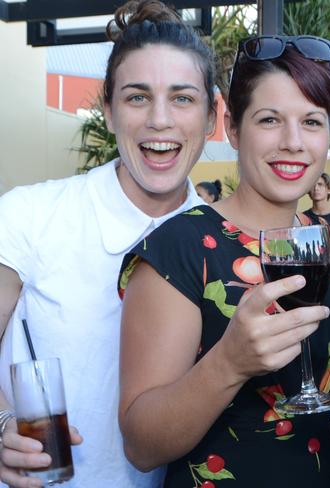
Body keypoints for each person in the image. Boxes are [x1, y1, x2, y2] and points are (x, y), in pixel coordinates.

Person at [117, 34, 330, 487]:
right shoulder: (179, 247)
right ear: (233, 128)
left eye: (312, 122)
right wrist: (229, 363)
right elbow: (141, 446)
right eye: (270, 120)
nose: (294, 142)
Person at [0, 1, 214, 486]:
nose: (160, 120)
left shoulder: (220, 242)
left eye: (182, 98)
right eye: (137, 97)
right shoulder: (29, 215)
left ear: (210, 115)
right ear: (108, 110)